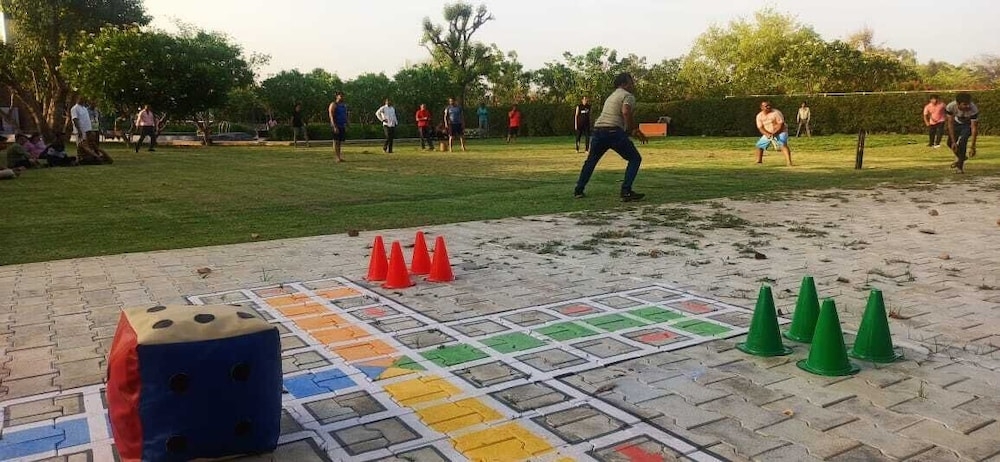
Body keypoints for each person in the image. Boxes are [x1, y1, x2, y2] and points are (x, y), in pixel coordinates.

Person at [573, 73, 647, 202]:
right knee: (635, 158)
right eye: (631, 82)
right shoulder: (628, 96)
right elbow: (625, 112)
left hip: (598, 130)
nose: (633, 85)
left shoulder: (612, 96)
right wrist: (634, 130)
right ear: (624, 84)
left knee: (591, 161)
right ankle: (626, 191)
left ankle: (579, 189)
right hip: (613, 131)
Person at [946, 92, 979, 174]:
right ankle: (962, 157)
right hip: (956, 124)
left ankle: (960, 167)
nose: (967, 106)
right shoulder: (950, 107)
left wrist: (973, 146)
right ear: (958, 104)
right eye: (965, 104)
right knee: (949, 143)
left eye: (968, 104)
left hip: (967, 125)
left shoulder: (973, 109)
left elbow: (974, 128)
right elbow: (950, 124)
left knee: (963, 142)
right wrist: (953, 141)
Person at [754, 100, 793, 166]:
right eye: (766, 106)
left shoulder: (776, 113)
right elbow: (760, 128)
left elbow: (781, 125)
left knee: (783, 144)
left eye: (769, 105)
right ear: (761, 107)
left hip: (781, 132)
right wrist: (767, 134)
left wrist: (774, 133)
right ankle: (759, 161)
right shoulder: (759, 116)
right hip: (768, 133)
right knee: (759, 146)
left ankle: (789, 162)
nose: (768, 107)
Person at [327, 92, 348, 162]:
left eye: (343, 96)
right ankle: (337, 157)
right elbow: (331, 116)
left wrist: (347, 124)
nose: (342, 97)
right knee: (336, 141)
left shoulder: (343, 106)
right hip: (336, 125)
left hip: (342, 125)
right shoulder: (333, 104)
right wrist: (334, 126)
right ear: (337, 96)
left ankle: (339, 156)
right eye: (340, 96)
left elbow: (345, 115)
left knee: (339, 142)